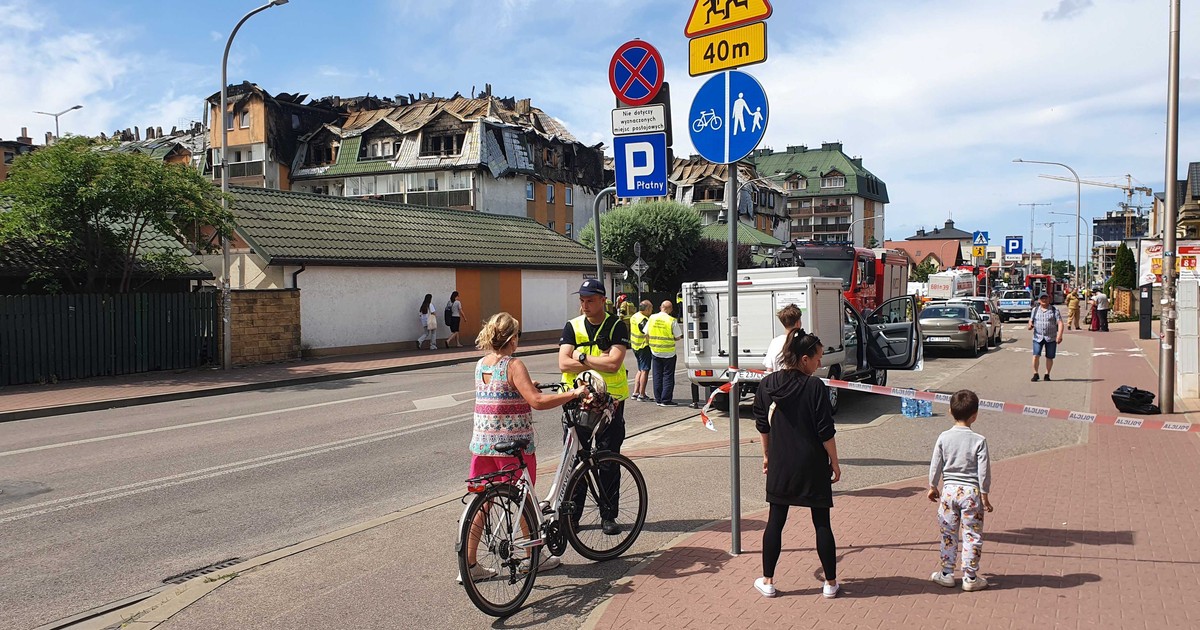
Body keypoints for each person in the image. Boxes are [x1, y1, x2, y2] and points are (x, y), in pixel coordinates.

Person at [460, 312, 589, 583]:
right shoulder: (513, 364)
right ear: (513, 339)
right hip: (511, 446)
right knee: (524, 500)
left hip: (483, 445)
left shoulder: (482, 363)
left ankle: (469, 566)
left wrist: (525, 387)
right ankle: (536, 557)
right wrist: (573, 394)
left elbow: (500, 391)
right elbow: (538, 401)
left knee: (484, 502)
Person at [751, 329, 841, 599]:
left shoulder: (767, 385)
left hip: (781, 464)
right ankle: (830, 583)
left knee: (775, 521)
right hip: (813, 464)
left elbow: (762, 425)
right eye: (817, 358)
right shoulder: (815, 387)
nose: (820, 364)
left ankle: (767, 580)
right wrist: (835, 462)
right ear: (804, 359)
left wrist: (767, 455)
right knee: (822, 522)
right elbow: (826, 431)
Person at [559, 278, 630, 536]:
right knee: (576, 462)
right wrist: (595, 359)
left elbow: (614, 364)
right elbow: (563, 364)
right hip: (576, 401)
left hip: (611, 403)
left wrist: (579, 356)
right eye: (582, 300)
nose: (585, 305)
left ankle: (608, 515)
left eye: (590, 300)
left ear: (603, 300)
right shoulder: (572, 326)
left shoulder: (616, 326)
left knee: (608, 461)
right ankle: (573, 516)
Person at [927, 389, 994, 592]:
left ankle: (947, 573)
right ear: (975, 415)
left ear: (949, 411)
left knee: (948, 533)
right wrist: (985, 494)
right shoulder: (979, 440)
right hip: (971, 493)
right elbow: (984, 471)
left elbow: (935, 463)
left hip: (948, 491)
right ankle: (970, 577)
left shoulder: (944, 437)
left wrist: (932, 485)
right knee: (972, 534)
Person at [647, 300, 683, 406]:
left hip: (655, 351)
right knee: (668, 376)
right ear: (670, 309)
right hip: (668, 353)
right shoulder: (671, 320)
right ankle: (666, 399)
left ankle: (658, 398)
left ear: (660, 307)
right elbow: (678, 336)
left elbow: (646, 333)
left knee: (657, 375)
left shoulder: (652, 318)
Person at [1027, 292, 1063, 382]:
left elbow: (1060, 323)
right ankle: (1035, 373)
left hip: (1051, 337)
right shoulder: (1035, 310)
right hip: (1038, 337)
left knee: (1049, 357)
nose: (1044, 300)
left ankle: (1047, 374)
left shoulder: (1054, 310)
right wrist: (1030, 325)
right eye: (1042, 298)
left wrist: (1059, 335)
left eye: (1045, 298)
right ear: (1039, 300)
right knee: (1036, 355)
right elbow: (1031, 321)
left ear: (1049, 299)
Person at [763, 303, 804, 372]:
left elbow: (769, 369)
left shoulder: (775, 342)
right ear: (798, 323)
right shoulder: (803, 341)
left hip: (778, 381)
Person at [629, 300, 654, 402]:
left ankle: (635, 392)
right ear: (647, 309)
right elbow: (647, 332)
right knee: (645, 370)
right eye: (651, 308)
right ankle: (642, 394)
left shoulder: (635, 316)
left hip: (635, 346)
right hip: (643, 346)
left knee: (640, 369)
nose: (652, 310)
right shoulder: (643, 320)